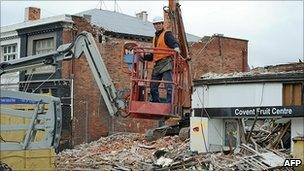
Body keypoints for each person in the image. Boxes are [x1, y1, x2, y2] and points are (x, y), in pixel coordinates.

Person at [143, 16, 180, 103]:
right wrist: (143, 56)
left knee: (169, 86)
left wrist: (176, 47)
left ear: (162, 24)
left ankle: (169, 105)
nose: (158, 25)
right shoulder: (155, 38)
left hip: (166, 62)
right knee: (153, 86)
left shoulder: (167, 34)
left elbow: (173, 42)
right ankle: (156, 103)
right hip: (157, 64)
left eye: (159, 23)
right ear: (154, 25)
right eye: (156, 24)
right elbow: (154, 53)